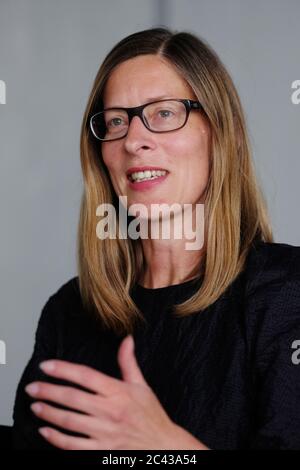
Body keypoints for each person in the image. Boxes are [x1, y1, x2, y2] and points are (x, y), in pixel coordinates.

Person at [12, 27, 300, 450]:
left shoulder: (285, 293)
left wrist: (165, 450)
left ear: (220, 132)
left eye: (164, 113)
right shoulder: (69, 313)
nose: (134, 140)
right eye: (115, 121)